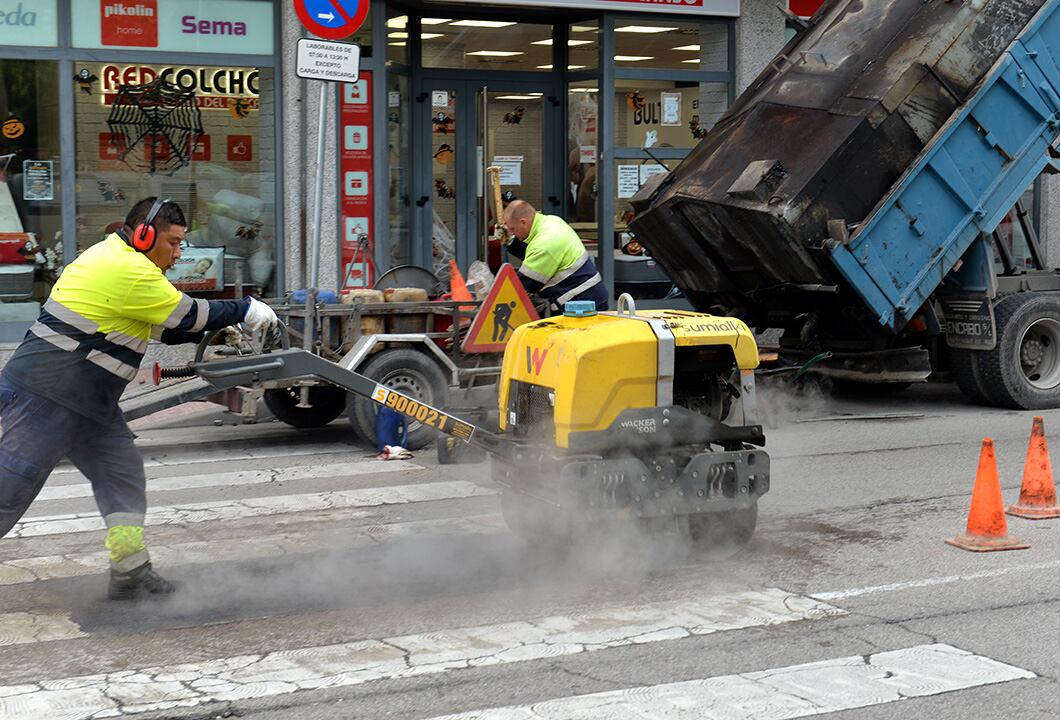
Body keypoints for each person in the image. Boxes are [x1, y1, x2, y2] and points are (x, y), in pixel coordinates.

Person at [0, 197, 279, 601]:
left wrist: (216, 332)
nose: (179, 253)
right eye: (174, 242)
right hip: (47, 398)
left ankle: (129, 572)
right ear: (145, 234)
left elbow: (163, 328)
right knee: (8, 495)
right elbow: (185, 314)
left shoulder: (116, 257)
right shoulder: (127, 269)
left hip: (88, 402)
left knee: (122, 477)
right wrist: (247, 309)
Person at [500, 200, 609, 311]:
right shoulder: (552, 221)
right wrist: (510, 241)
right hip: (589, 296)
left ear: (523, 222)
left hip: (581, 304)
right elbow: (535, 256)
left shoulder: (545, 243)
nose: (512, 233)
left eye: (512, 229)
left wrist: (497, 296)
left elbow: (524, 284)